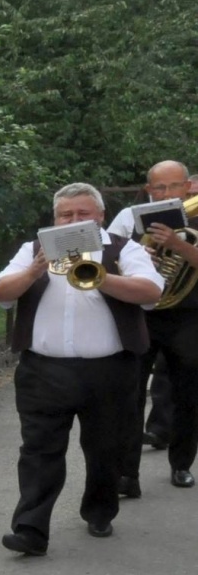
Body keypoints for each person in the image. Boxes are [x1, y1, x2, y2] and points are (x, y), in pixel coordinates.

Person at [0, 183, 164, 555]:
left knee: (105, 449)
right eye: (65, 215)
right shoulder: (32, 250)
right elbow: (1, 292)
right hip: (42, 371)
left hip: (110, 371)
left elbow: (151, 292)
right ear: (54, 219)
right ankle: (30, 529)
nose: (73, 220)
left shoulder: (123, 248)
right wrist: (34, 270)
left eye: (82, 214)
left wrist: (99, 275)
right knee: (38, 451)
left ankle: (100, 511)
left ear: (100, 216)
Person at [110, 161, 198, 494]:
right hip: (144, 316)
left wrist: (178, 246)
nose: (164, 194)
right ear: (148, 190)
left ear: (187, 186)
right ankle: (127, 474)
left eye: (172, 186)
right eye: (157, 188)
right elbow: (114, 263)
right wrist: (138, 257)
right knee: (129, 395)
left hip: (189, 318)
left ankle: (181, 465)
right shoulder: (135, 221)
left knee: (188, 395)